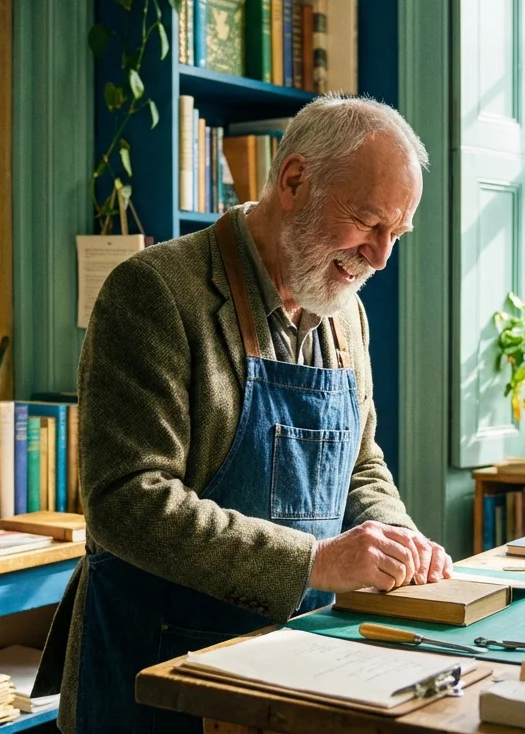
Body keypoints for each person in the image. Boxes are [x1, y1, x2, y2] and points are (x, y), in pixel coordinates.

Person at [35, 94, 451, 734]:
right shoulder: (154, 293)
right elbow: (127, 501)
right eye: (368, 222)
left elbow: (359, 463)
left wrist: (399, 542)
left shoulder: (345, 311)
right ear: (293, 181)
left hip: (294, 664)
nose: (380, 257)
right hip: (160, 676)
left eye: (396, 233)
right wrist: (315, 563)